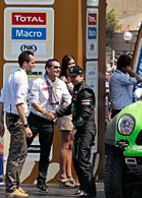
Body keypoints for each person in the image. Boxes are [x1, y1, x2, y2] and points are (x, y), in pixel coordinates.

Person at [27, 58, 71, 193]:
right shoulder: (37, 82)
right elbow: (34, 102)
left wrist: (57, 113)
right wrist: (45, 112)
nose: (58, 70)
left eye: (58, 68)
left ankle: (41, 180)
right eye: (55, 67)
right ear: (47, 69)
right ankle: (14, 180)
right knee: (23, 148)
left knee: (45, 152)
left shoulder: (62, 84)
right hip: (35, 119)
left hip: (49, 121)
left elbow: (68, 101)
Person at [0, 51, 36, 198]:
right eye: (32, 62)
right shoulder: (21, 78)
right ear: (25, 63)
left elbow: (2, 99)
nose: (34, 65)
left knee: (22, 151)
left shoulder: (11, 75)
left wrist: (1, 121)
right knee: (16, 153)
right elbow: (19, 103)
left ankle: (15, 185)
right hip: (17, 118)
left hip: (10, 116)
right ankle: (11, 187)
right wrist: (25, 125)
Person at [55, 65, 97, 198]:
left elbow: (85, 113)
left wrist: (75, 127)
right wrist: (57, 113)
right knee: (76, 159)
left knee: (82, 159)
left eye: (74, 77)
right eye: (70, 77)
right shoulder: (77, 90)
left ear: (81, 76)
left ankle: (90, 190)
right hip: (81, 129)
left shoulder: (85, 91)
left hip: (86, 129)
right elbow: (71, 108)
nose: (72, 79)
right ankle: (83, 188)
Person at [57, 55, 77, 189]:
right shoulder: (62, 80)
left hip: (73, 115)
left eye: (73, 63)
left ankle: (70, 174)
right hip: (65, 115)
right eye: (69, 64)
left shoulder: (74, 78)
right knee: (65, 145)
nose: (71, 66)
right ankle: (63, 175)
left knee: (70, 145)